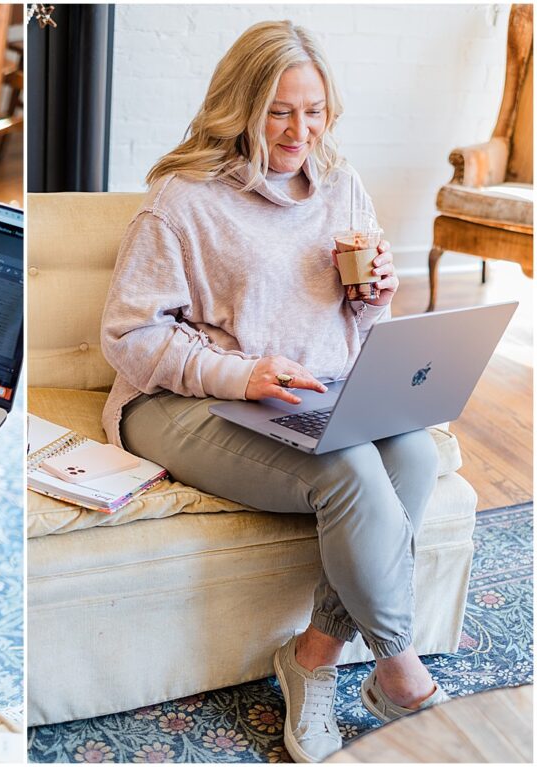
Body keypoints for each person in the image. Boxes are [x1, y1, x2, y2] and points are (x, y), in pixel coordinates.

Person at [100, 20, 448, 763]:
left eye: (314, 110)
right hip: (181, 402)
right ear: (242, 106)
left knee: (414, 455)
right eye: (280, 111)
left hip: (304, 394)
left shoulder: (341, 184)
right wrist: (241, 372)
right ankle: (402, 673)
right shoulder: (183, 198)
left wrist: (376, 295)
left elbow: (356, 320)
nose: (300, 131)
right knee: (347, 470)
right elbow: (128, 336)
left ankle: (314, 654)